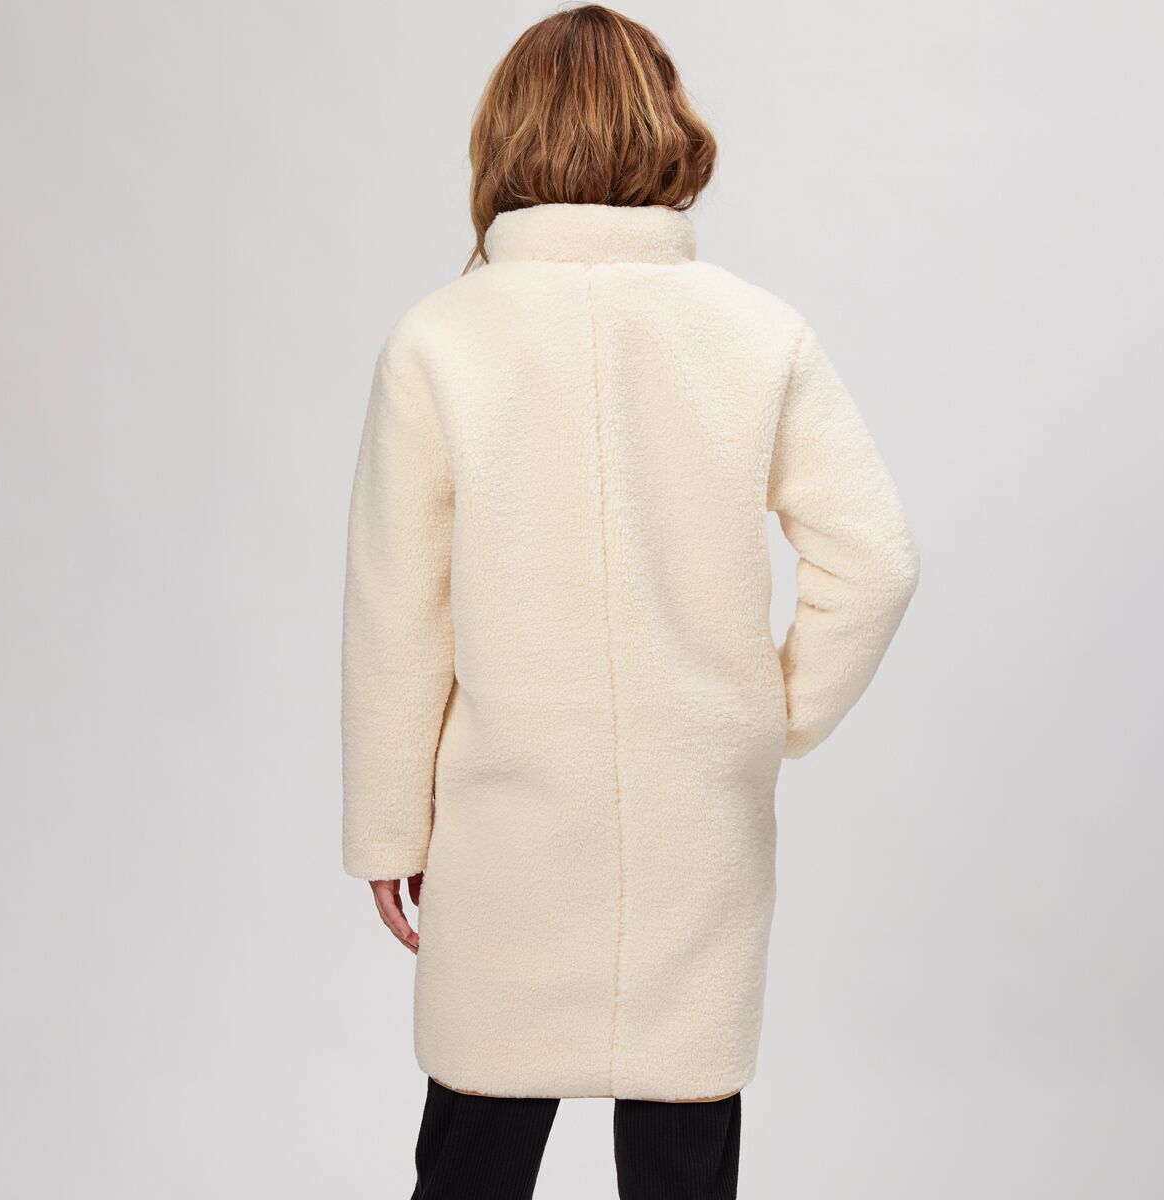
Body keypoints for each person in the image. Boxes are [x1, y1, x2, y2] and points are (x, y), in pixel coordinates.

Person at [341, 6, 919, 1197]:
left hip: (507, 817)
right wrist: (771, 717)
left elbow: (399, 610)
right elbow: (875, 560)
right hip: (695, 812)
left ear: (505, 135)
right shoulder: (758, 332)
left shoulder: (440, 339)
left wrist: (389, 825)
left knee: (473, 1147)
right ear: (668, 129)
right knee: (683, 1151)